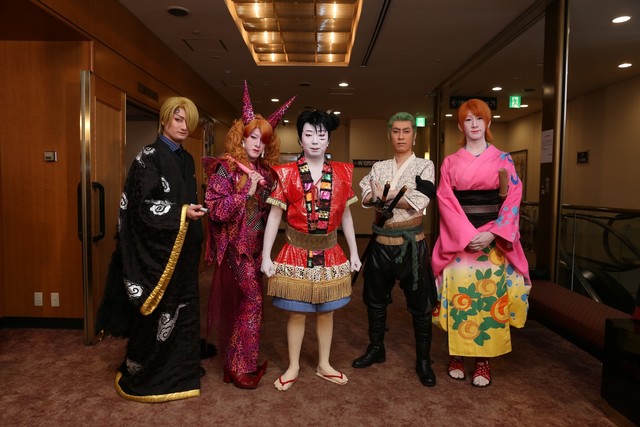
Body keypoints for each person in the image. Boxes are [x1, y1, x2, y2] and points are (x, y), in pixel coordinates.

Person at [106, 96, 207, 402]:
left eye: (188, 121)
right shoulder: (148, 157)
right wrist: (181, 212)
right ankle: (148, 371)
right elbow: (140, 207)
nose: (184, 126)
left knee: (184, 309)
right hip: (158, 255)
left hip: (183, 250)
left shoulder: (187, 159)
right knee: (159, 312)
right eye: (178, 119)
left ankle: (181, 367)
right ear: (164, 120)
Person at [431, 98, 531, 387]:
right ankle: (456, 355)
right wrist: (465, 234)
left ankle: (483, 362)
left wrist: (494, 232)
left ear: (488, 123)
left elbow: (513, 199)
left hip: (492, 240)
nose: (474, 125)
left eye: (479, 119)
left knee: (489, 300)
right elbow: (446, 201)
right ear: (460, 126)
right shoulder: (450, 162)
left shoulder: (504, 159)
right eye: (468, 120)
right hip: (461, 241)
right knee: (459, 298)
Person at [261, 110, 361, 391]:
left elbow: (347, 216)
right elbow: (274, 217)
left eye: (321, 135)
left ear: (328, 140)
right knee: (297, 313)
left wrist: (354, 252)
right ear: (300, 139)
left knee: (327, 312)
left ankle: (324, 364)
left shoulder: (342, 173)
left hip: (330, 251)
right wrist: (266, 255)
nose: (315, 141)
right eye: (309, 134)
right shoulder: (286, 174)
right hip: (295, 250)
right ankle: (293, 365)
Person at [203, 81, 294, 389]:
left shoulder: (266, 172)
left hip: (258, 248)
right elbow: (216, 211)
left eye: (263, 139)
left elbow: (273, 211)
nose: (257, 144)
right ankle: (238, 367)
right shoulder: (226, 169)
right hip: (235, 248)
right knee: (252, 301)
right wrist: (246, 192)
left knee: (251, 305)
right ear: (241, 137)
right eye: (253, 137)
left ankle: (243, 363)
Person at [351, 112, 438, 387]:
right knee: (375, 300)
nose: (401, 136)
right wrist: (394, 195)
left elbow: (420, 200)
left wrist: (385, 195)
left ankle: (423, 360)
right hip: (382, 242)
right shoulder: (379, 166)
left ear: (414, 135)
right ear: (389, 135)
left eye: (406, 131)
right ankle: (376, 348)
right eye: (396, 131)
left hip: (412, 242)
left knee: (421, 305)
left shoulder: (425, 166)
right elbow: (366, 196)